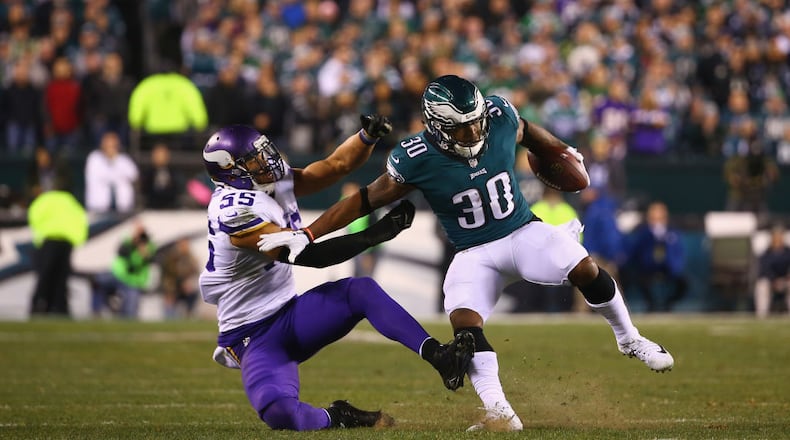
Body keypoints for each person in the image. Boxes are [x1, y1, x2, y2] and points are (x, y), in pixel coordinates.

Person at [259, 75, 675, 431]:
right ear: (438, 128)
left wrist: (560, 150)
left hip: (521, 230)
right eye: (462, 130)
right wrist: (309, 233)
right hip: (473, 251)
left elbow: (527, 130)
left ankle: (629, 338)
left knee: (585, 267)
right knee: (464, 327)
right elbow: (364, 200)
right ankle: (500, 411)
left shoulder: (497, 116)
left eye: (476, 124)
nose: (475, 134)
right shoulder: (416, 157)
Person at [199, 117, 475, 431]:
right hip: (253, 336)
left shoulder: (270, 182)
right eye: (254, 158)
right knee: (279, 413)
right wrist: (374, 235)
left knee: (361, 291)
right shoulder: (234, 211)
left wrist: (366, 138)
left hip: (290, 314)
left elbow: (337, 165)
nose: (267, 160)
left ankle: (440, 356)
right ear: (231, 170)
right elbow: (308, 256)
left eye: (264, 152)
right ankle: (338, 416)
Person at [28, 186, 88, 317]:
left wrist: (39, 236)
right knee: (60, 276)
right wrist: (78, 238)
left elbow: (34, 215)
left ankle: (39, 306)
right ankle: (59, 308)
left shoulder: (45, 199)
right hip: (65, 242)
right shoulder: (69, 200)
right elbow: (80, 218)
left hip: (49, 240)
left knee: (47, 274)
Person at [621, 201, 687, 313]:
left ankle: (667, 304)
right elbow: (635, 253)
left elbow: (678, 254)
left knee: (684, 283)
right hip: (647, 270)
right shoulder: (643, 233)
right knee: (637, 280)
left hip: (668, 269)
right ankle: (651, 305)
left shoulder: (672, 233)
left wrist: (672, 268)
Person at [91, 223, 157, 319]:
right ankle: (97, 310)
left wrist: (144, 253)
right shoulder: (128, 242)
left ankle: (118, 310)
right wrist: (134, 241)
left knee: (130, 314)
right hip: (118, 275)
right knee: (97, 282)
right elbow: (121, 251)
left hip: (133, 281)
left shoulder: (149, 247)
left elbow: (141, 263)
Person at [754, 224, 790, 318]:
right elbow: (765, 270)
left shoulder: (787, 252)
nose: (778, 238)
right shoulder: (766, 253)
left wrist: (786, 278)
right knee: (762, 285)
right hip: (771, 281)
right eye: (776, 236)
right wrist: (773, 280)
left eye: (780, 236)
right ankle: (762, 315)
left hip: (785, 280)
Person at [160, 237, 200, 319]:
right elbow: (169, 275)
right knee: (169, 299)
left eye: (185, 245)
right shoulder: (172, 257)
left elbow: (195, 271)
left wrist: (188, 283)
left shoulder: (190, 257)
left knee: (194, 293)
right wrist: (172, 288)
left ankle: (189, 316)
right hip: (172, 286)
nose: (184, 247)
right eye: (182, 245)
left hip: (184, 288)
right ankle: (169, 320)